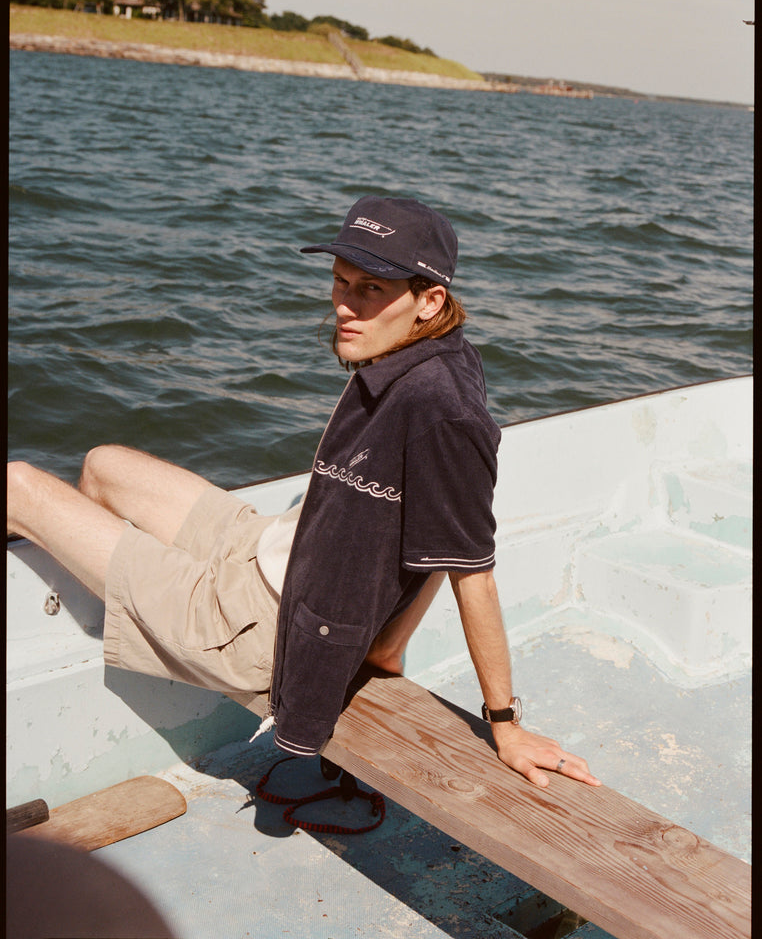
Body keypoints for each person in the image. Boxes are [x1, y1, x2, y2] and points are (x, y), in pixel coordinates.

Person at [7, 195, 599, 789]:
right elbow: (428, 540)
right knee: (103, 465)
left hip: (252, 626)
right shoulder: (424, 355)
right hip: (263, 543)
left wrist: (505, 724)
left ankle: (141, 594)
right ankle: (128, 585)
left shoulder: (443, 412)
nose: (345, 306)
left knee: (18, 486)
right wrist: (387, 648)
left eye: (371, 289)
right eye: (340, 282)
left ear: (430, 301)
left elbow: (470, 568)